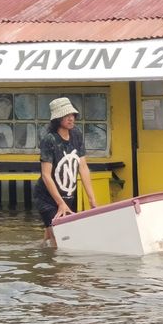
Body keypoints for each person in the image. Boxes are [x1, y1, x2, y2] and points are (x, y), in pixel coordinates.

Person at [33, 97, 97, 247]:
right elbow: (46, 175)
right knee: (60, 237)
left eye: (72, 115)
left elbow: (83, 167)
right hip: (47, 197)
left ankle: (42, 253)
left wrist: (91, 199)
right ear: (57, 119)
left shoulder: (76, 135)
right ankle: (57, 266)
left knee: (52, 234)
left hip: (67, 194)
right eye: (66, 115)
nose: (71, 118)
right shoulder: (49, 140)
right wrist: (60, 203)